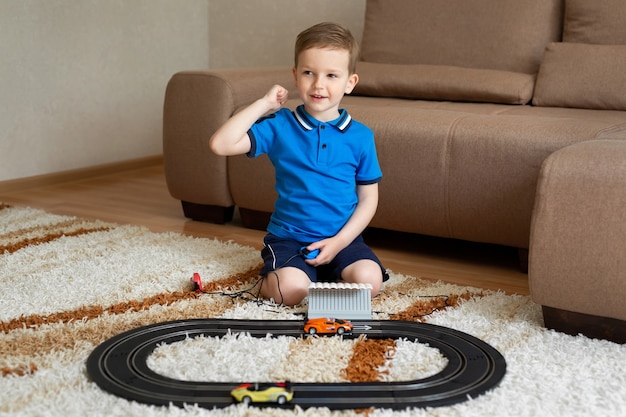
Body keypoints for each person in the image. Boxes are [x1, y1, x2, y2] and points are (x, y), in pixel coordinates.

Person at [209, 22, 388, 306]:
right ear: (295, 76)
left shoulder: (361, 137)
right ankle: (288, 278)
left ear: (350, 83)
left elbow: (368, 200)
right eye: (309, 73)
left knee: (370, 280)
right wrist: (264, 104)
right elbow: (221, 144)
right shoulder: (281, 126)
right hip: (290, 239)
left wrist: (340, 242)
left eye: (331, 75)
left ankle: (323, 274)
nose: (319, 84)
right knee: (290, 291)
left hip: (343, 240)